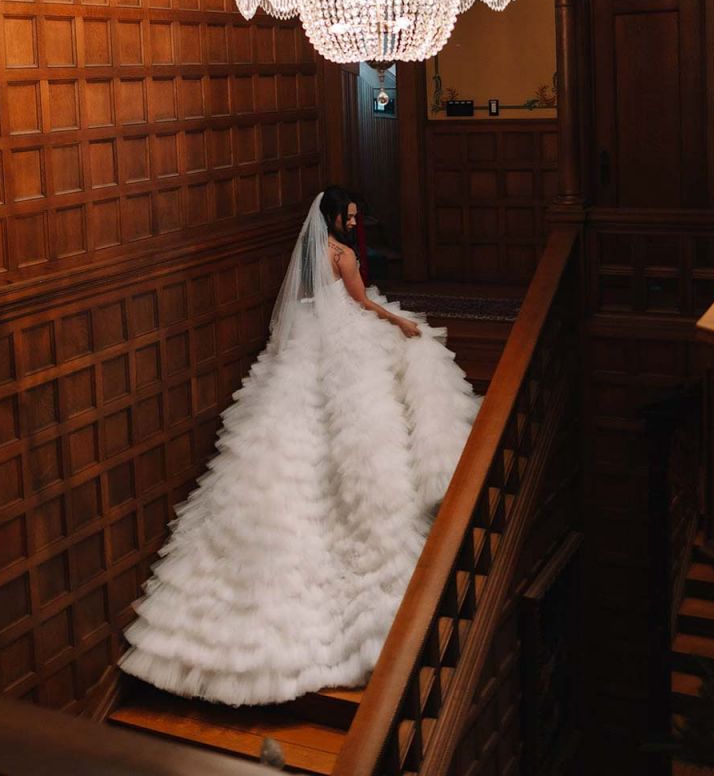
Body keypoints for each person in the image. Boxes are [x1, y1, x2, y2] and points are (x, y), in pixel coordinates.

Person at [119, 187, 482, 706]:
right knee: (395, 379)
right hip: (346, 334)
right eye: (349, 216)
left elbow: (309, 300)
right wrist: (402, 322)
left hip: (308, 334)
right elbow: (360, 303)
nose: (353, 223)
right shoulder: (345, 255)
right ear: (332, 218)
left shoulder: (311, 253)